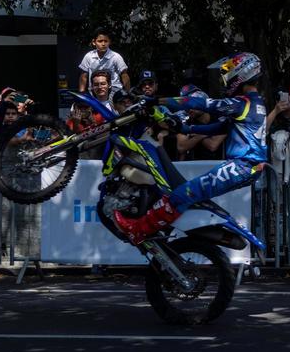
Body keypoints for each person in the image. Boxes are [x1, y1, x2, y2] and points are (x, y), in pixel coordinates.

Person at [112, 51, 269, 244]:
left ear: (241, 74)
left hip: (243, 166)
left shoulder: (241, 103)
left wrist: (158, 100)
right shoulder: (255, 104)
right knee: (189, 195)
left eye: (228, 72)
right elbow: (219, 127)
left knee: (182, 194)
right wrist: (186, 127)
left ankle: (138, 230)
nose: (224, 78)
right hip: (248, 167)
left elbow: (201, 103)